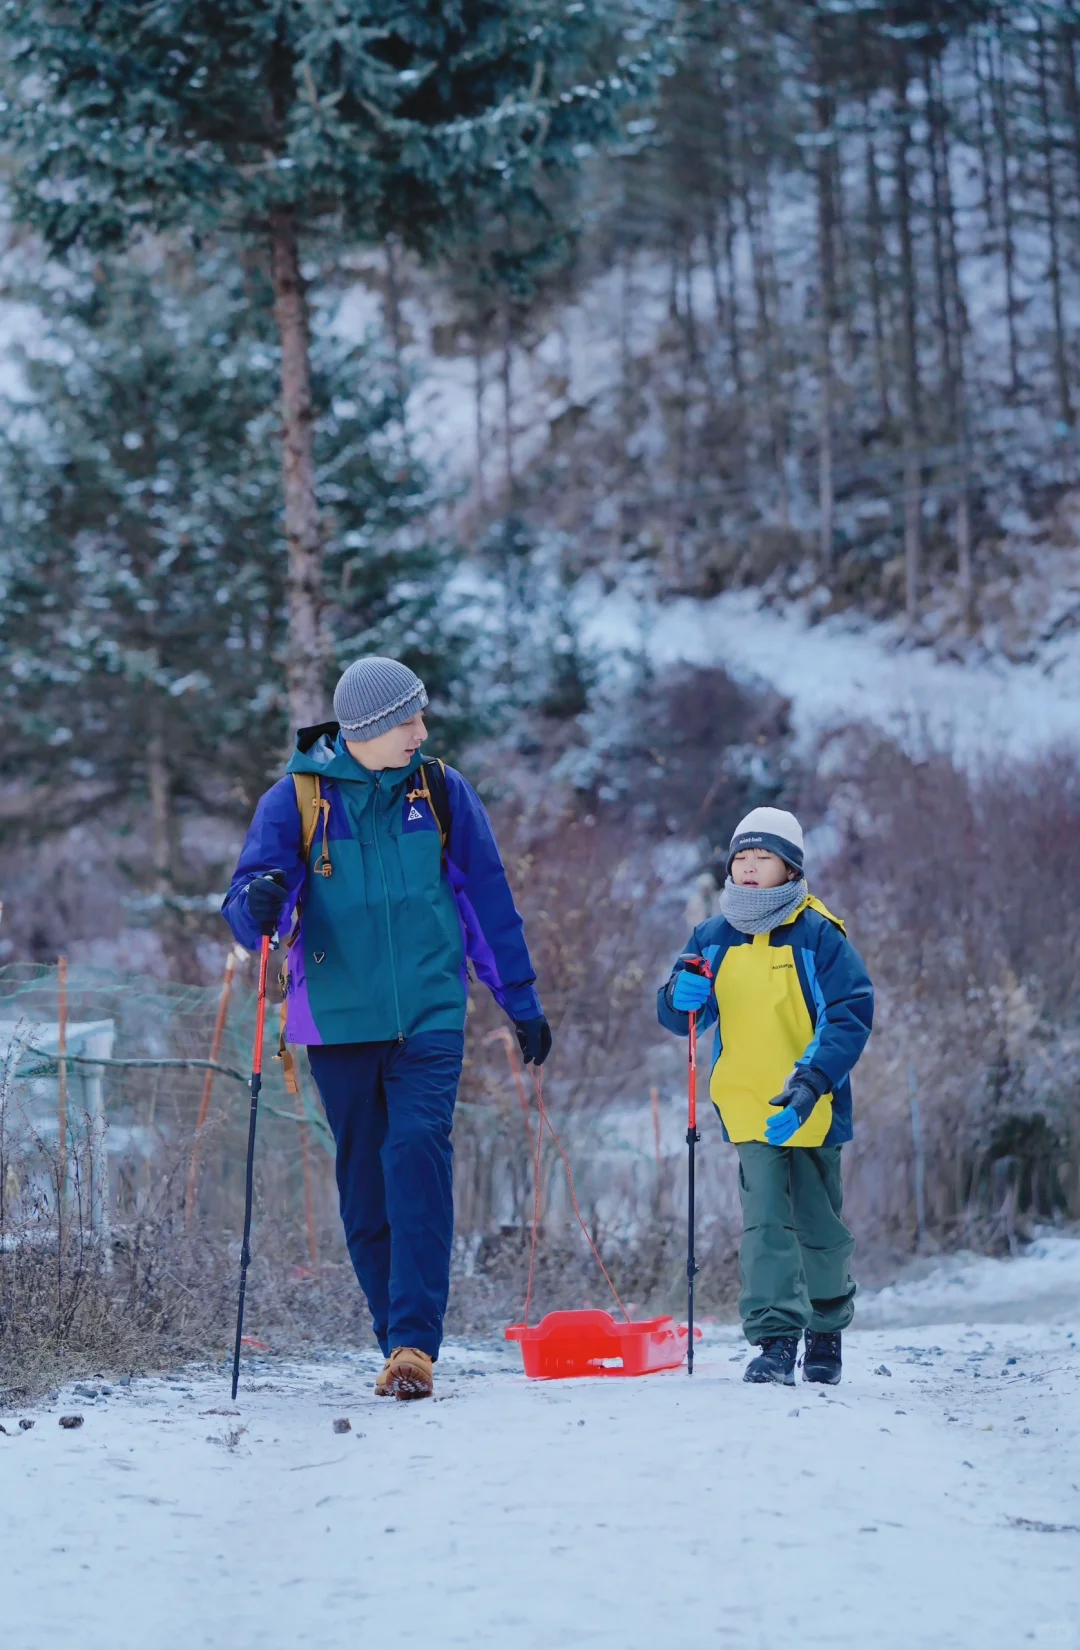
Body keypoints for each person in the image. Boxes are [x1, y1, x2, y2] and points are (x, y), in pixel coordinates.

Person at [223, 657, 550, 1400]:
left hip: (430, 1013)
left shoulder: (439, 791)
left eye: (421, 717)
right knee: (365, 1181)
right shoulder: (297, 801)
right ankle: (391, 1338)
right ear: (366, 730)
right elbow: (245, 906)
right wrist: (260, 901)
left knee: (416, 1151)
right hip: (337, 1020)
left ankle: (414, 1344)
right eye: (408, 721)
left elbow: (487, 901)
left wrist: (520, 1000)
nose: (421, 731)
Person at [657, 806, 873, 1386]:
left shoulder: (818, 933)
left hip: (812, 1103)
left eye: (764, 858)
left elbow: (850, 1015)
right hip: (748, 1105)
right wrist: (679, 995)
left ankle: (825, 1330)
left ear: (790, 867)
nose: (749, 869)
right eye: (741, 858)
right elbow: (680, 1015)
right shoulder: (714, 934)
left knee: (820, 1229)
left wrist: (809, 1085)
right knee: (765, 1225)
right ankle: (775, 1340)